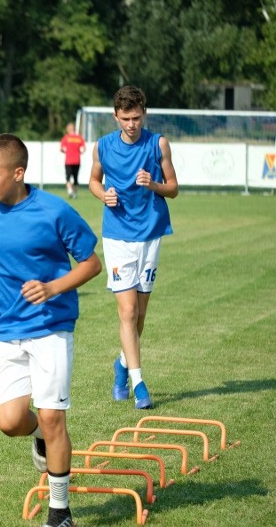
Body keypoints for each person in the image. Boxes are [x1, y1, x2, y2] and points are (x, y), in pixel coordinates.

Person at [0, 134, 101, 527]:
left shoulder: (55, 212)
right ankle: (40, 433)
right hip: (3, 327)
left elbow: (92, 263)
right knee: (9, 422)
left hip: (51, 326)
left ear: (18, 173)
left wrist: (53, 287)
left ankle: (60, 513)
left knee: (54, 415)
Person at [87, 85, 179, 410]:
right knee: (126, 311)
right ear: (115, 116)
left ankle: (122, 365)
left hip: (150, 234)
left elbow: (174, 188)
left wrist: (153, 184)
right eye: (125, 118)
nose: (131, 124)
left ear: (144, 113)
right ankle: (139, 384)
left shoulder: (158, 144)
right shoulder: (103, 146)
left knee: (139, 315)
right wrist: (103, 196)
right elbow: (93, 181)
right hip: (117, 236)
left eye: (137, 118)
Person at [59, 122, 86, 199]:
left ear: (68, 129)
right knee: (76, 178)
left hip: (68, 161)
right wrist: (79, 153)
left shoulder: (66, 138)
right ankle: (74, 194)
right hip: (77, 160)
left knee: (68, 178)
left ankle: (70, 192)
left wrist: (66, 152)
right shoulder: (79, 138)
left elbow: (61, 148)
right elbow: (84, 149)